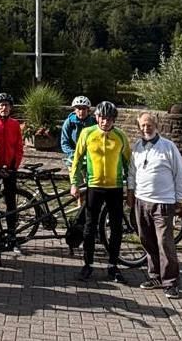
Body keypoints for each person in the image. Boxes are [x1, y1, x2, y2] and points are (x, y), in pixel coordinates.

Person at [127, 112, 182, 299]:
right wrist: (130, 193)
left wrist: (180, 199)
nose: (146, 128)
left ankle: (170, 282)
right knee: (147, 240)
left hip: (163, 202)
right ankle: (155, 276)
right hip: (141, 200)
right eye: (143, 125)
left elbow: (179, 174)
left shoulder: (168, 147)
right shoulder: (137, 147)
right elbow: (132, 172)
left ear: (157, 125)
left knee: (164, 242)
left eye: (150, 124)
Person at [70, 100, 130, 283]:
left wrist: (132, 187)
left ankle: (113, 266)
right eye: (102, 118)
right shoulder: (87, 133)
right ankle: (88, 265)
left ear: (114, 120)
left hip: (115, 187)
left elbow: (129, 163)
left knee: (117, 228)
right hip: (94, 186)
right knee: (90, 227)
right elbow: (77, 159)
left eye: (109, 119)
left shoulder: (120, 136)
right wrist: (74, 183)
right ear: (96, 117)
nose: (105, 122)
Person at [0, 92, 24, 252]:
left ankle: (12, 236)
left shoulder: (15, 124)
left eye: (7, 105)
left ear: (10, 108)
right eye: (1, 105)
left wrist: (14, 167)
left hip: (10, 168)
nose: (4, 107)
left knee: (11, 203)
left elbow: (19, 148)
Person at [61, 96, 95, 168]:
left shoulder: (93, 122)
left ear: (88, 110)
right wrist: (72, 153)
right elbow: (64, 142)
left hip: (90, 155)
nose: (81, 112)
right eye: (79, 109)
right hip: (73, 155)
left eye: (84, 109)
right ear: (74, 110)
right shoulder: (69, 122)